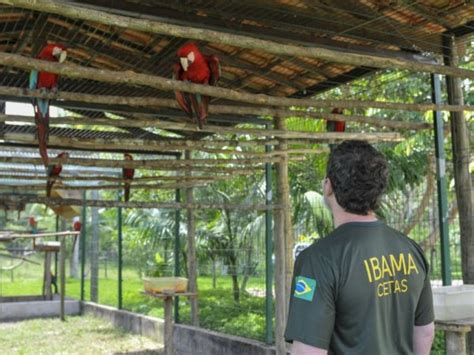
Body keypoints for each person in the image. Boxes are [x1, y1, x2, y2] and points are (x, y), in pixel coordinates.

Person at [285, 141, 434, 355]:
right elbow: (425, 332)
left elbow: (307, 352)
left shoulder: (317, 260)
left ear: (328, 186)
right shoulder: (410, 249)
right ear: (378, 189)